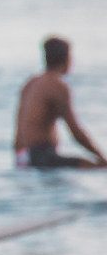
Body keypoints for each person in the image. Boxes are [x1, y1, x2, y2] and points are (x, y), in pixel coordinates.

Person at [14, 36, 107, 170]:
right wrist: (102, 158)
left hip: (22, 157)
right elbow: (75, 131)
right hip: (41, 156)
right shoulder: (58, 86)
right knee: (96, 168)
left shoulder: (31, 83)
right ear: (67, 59)